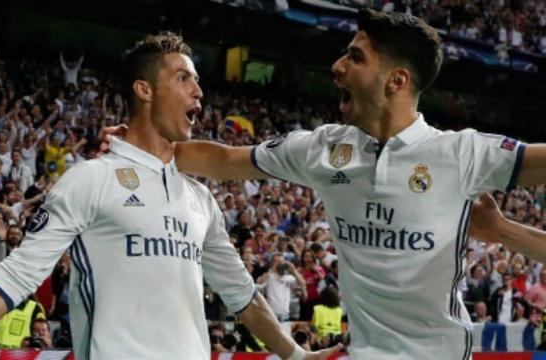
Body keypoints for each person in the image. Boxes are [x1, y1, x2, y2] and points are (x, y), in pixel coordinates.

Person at [0, 32, 338, 360]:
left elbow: (242, 293)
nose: (199, 91)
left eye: (198, 80)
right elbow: (18, 274)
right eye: (184, 77)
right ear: (144, 90)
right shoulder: (92, 179)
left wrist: (294, 354)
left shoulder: (200, 200)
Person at [168, 9, 546, 359]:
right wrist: (144, 143)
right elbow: (223, 159)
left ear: (397, 80)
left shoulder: (461, 154)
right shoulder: (323, 147)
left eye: (356, 57)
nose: (337, 66)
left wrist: (503, 231)